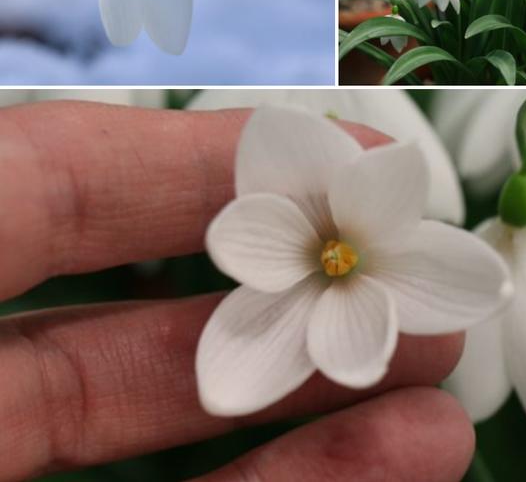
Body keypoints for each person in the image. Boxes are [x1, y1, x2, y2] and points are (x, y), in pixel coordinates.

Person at [0, 100, 473, 482]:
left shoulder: (375, 205)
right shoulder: (286, 159)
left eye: (338, 258)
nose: (337, 258)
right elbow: (274, 152)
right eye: (336, 256)